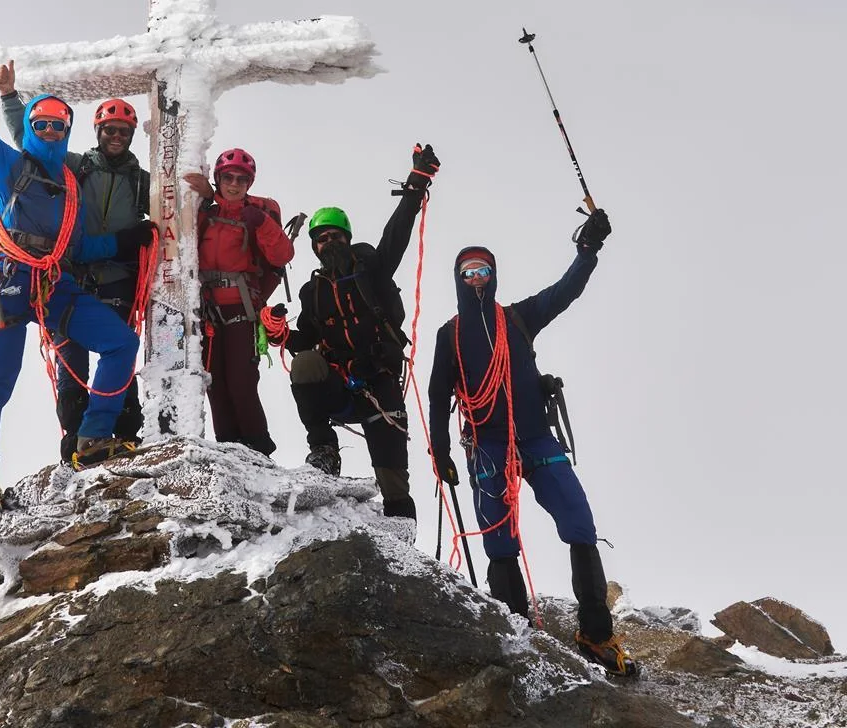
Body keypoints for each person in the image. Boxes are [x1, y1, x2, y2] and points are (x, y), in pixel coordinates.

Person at [0, 27, 150, 516]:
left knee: (121, 343)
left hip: (54, 284)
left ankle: (94, 437)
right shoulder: (8, 165)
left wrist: (126, 240)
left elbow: (78, 246)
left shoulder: (71, 186)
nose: (49, 132)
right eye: (40, 124)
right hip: (9, 282)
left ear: (68, 132)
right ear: (31, 127)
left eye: (58, 125)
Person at [427, 209, 639, 677]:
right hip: (487, 444)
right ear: (459, 279)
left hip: (535, 437)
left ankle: (595, 634)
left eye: (483, 270)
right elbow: (438, 394)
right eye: (468, 272)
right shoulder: (450, 336)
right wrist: (439, 451)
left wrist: (588, 251)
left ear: (494, 275)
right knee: (499, 540)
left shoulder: (518, 318)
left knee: (579, 522)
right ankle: (516, 632)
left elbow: (565, 292)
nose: (476, 278)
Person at [0, 60, 152, 463]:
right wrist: (10, 98)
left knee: (118, 352)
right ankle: (74, 440)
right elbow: (27, 142)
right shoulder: (75, 166)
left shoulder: (144, 182)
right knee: (71, 361)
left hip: (118, 276)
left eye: (123, 132)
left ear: (131, 136)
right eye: (109, 130)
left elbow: (177, 207)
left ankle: (120, 432)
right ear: (98, 132)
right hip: (69, 276)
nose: (116, 137)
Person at [272, 144, 440, 521]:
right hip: (340, 385)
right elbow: (305, 342)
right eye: (321, 239)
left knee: (393, 476)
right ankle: (324, 450)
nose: (328, 242)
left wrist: (415, 186)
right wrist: (278, 332)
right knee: (305, 365)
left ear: (347, 238)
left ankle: (402, 532)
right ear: (314, 247)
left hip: (379, 382)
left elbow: (397, 234)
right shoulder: (311, 293)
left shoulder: (372, 271)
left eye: (334, 236)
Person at [183, 148, 293, 456]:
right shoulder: (207, 211)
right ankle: (229, 449)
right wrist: (207, 198)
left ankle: (258, 449)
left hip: (242, 309)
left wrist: (263, 224)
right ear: (218, 179)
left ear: (249, 183)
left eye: (241, 180)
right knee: (215, 385)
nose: (234, 184)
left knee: (242, 383)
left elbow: (282, 255)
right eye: (228, 178)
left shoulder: (256, 216)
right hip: (208, 311)